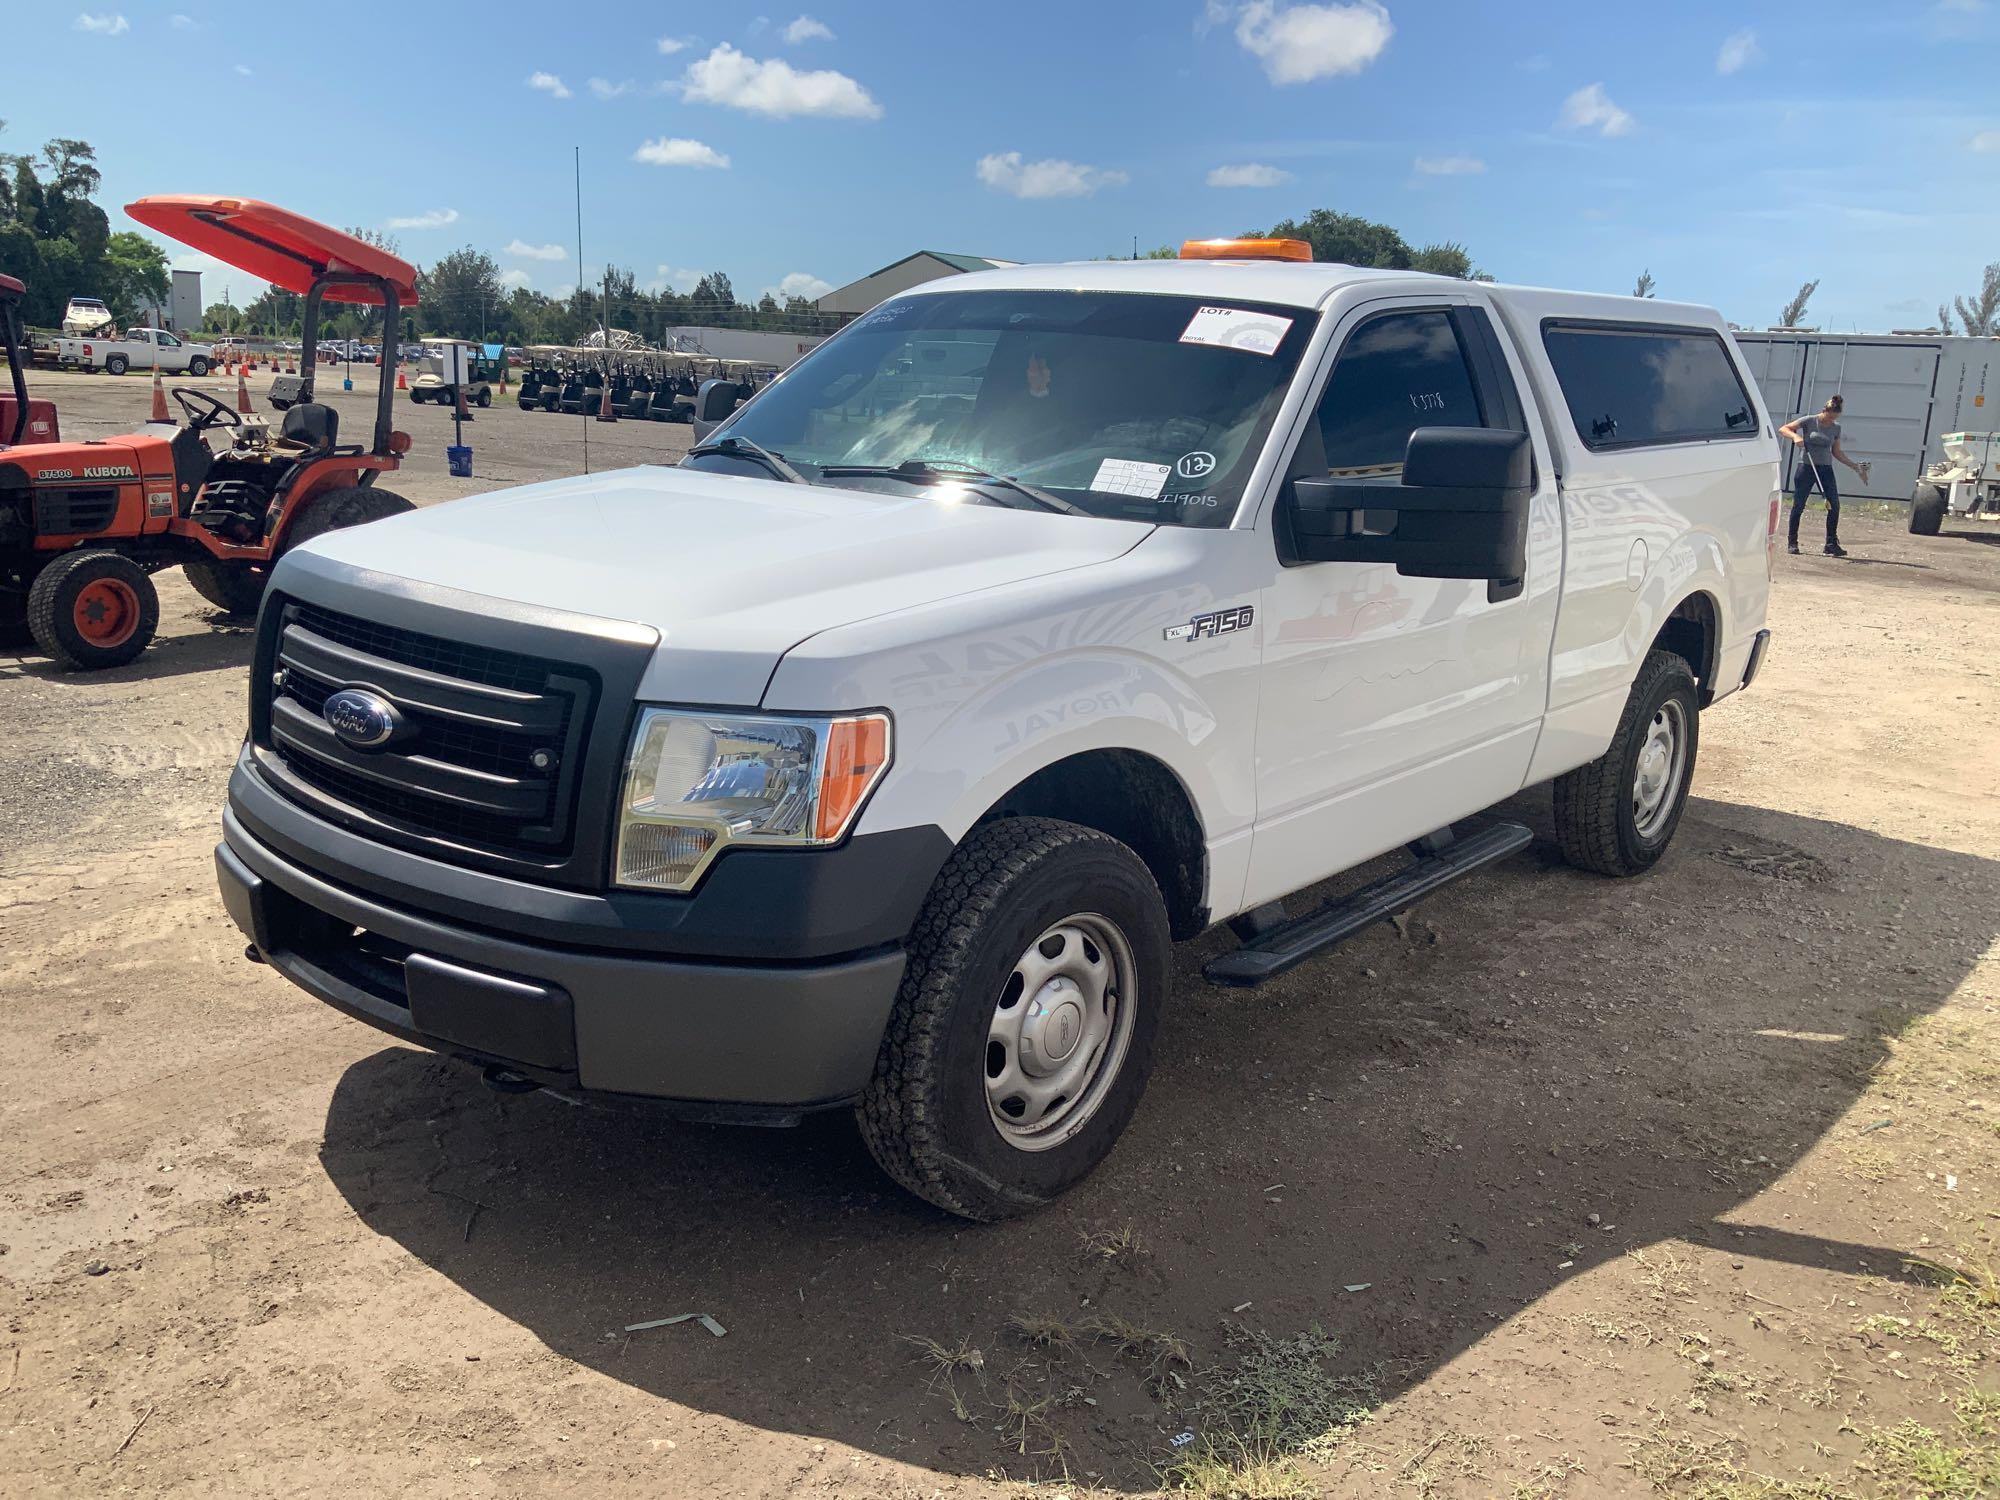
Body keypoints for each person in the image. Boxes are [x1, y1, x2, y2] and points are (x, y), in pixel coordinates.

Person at [1779, 396, 1870, 557]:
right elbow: (1784, 429)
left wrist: (1854, 466)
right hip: (1806, 467)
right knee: (1798, 505)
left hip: (1825, 469)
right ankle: (1792, 542)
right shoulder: (1809, 421)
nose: (1830, 421)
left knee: (1834, 505)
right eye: (1829, 417)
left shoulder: (1836, 428)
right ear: (1823, 411)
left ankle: (1831, 543)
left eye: (1834, 418)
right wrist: (1796, 437)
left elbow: (1836, 452)